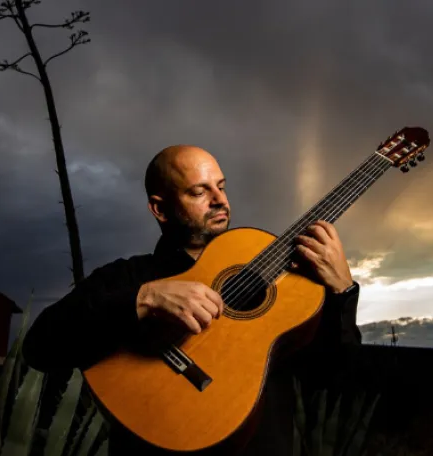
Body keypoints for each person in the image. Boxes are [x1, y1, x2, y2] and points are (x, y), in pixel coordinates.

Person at [22, 145, 363, 455]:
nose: (219, 200)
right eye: (199, 191)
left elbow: (337, 381)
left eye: (221, 186)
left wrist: (342, 292)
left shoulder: (287, 292)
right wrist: (144, 299)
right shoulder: (128, 277)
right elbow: (39, 346)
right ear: (160, 209)